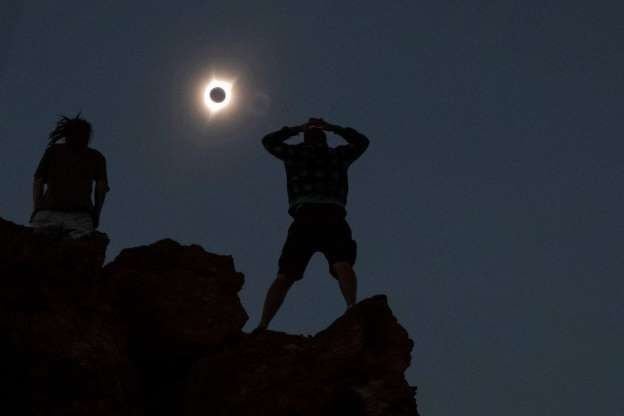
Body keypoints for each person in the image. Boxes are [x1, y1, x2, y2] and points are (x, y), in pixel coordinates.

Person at [256, 117, 369, 331]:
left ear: (306, 138)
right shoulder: (337, 156)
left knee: (285, 275)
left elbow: (268, 141)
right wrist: (334, 127)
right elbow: (362, 142)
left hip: (304, 216)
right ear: (324, 138)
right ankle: (352, 306)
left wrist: (296, 128)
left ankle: (263, 324)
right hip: (333, 215)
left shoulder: (296, 154)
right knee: (342, 262)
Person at [30, 114, 109, 239]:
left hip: (48, 211)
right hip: (80, 215)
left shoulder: (54, 151)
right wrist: (96, 212)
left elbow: (38, 181)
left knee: (38, 251)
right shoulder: (96, 157)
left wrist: (37, 208)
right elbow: (101, 187)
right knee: (78, 254)